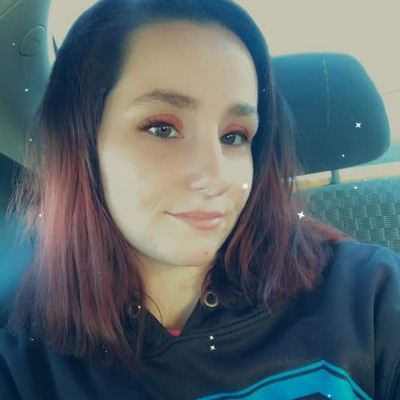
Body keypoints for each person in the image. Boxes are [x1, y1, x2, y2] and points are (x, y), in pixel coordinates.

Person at [1, 0, 399, 399]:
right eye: (161, 128)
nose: (214, 177)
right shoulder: (25, 367)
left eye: (234, 136)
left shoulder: (366, 296)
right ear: (81, 145)